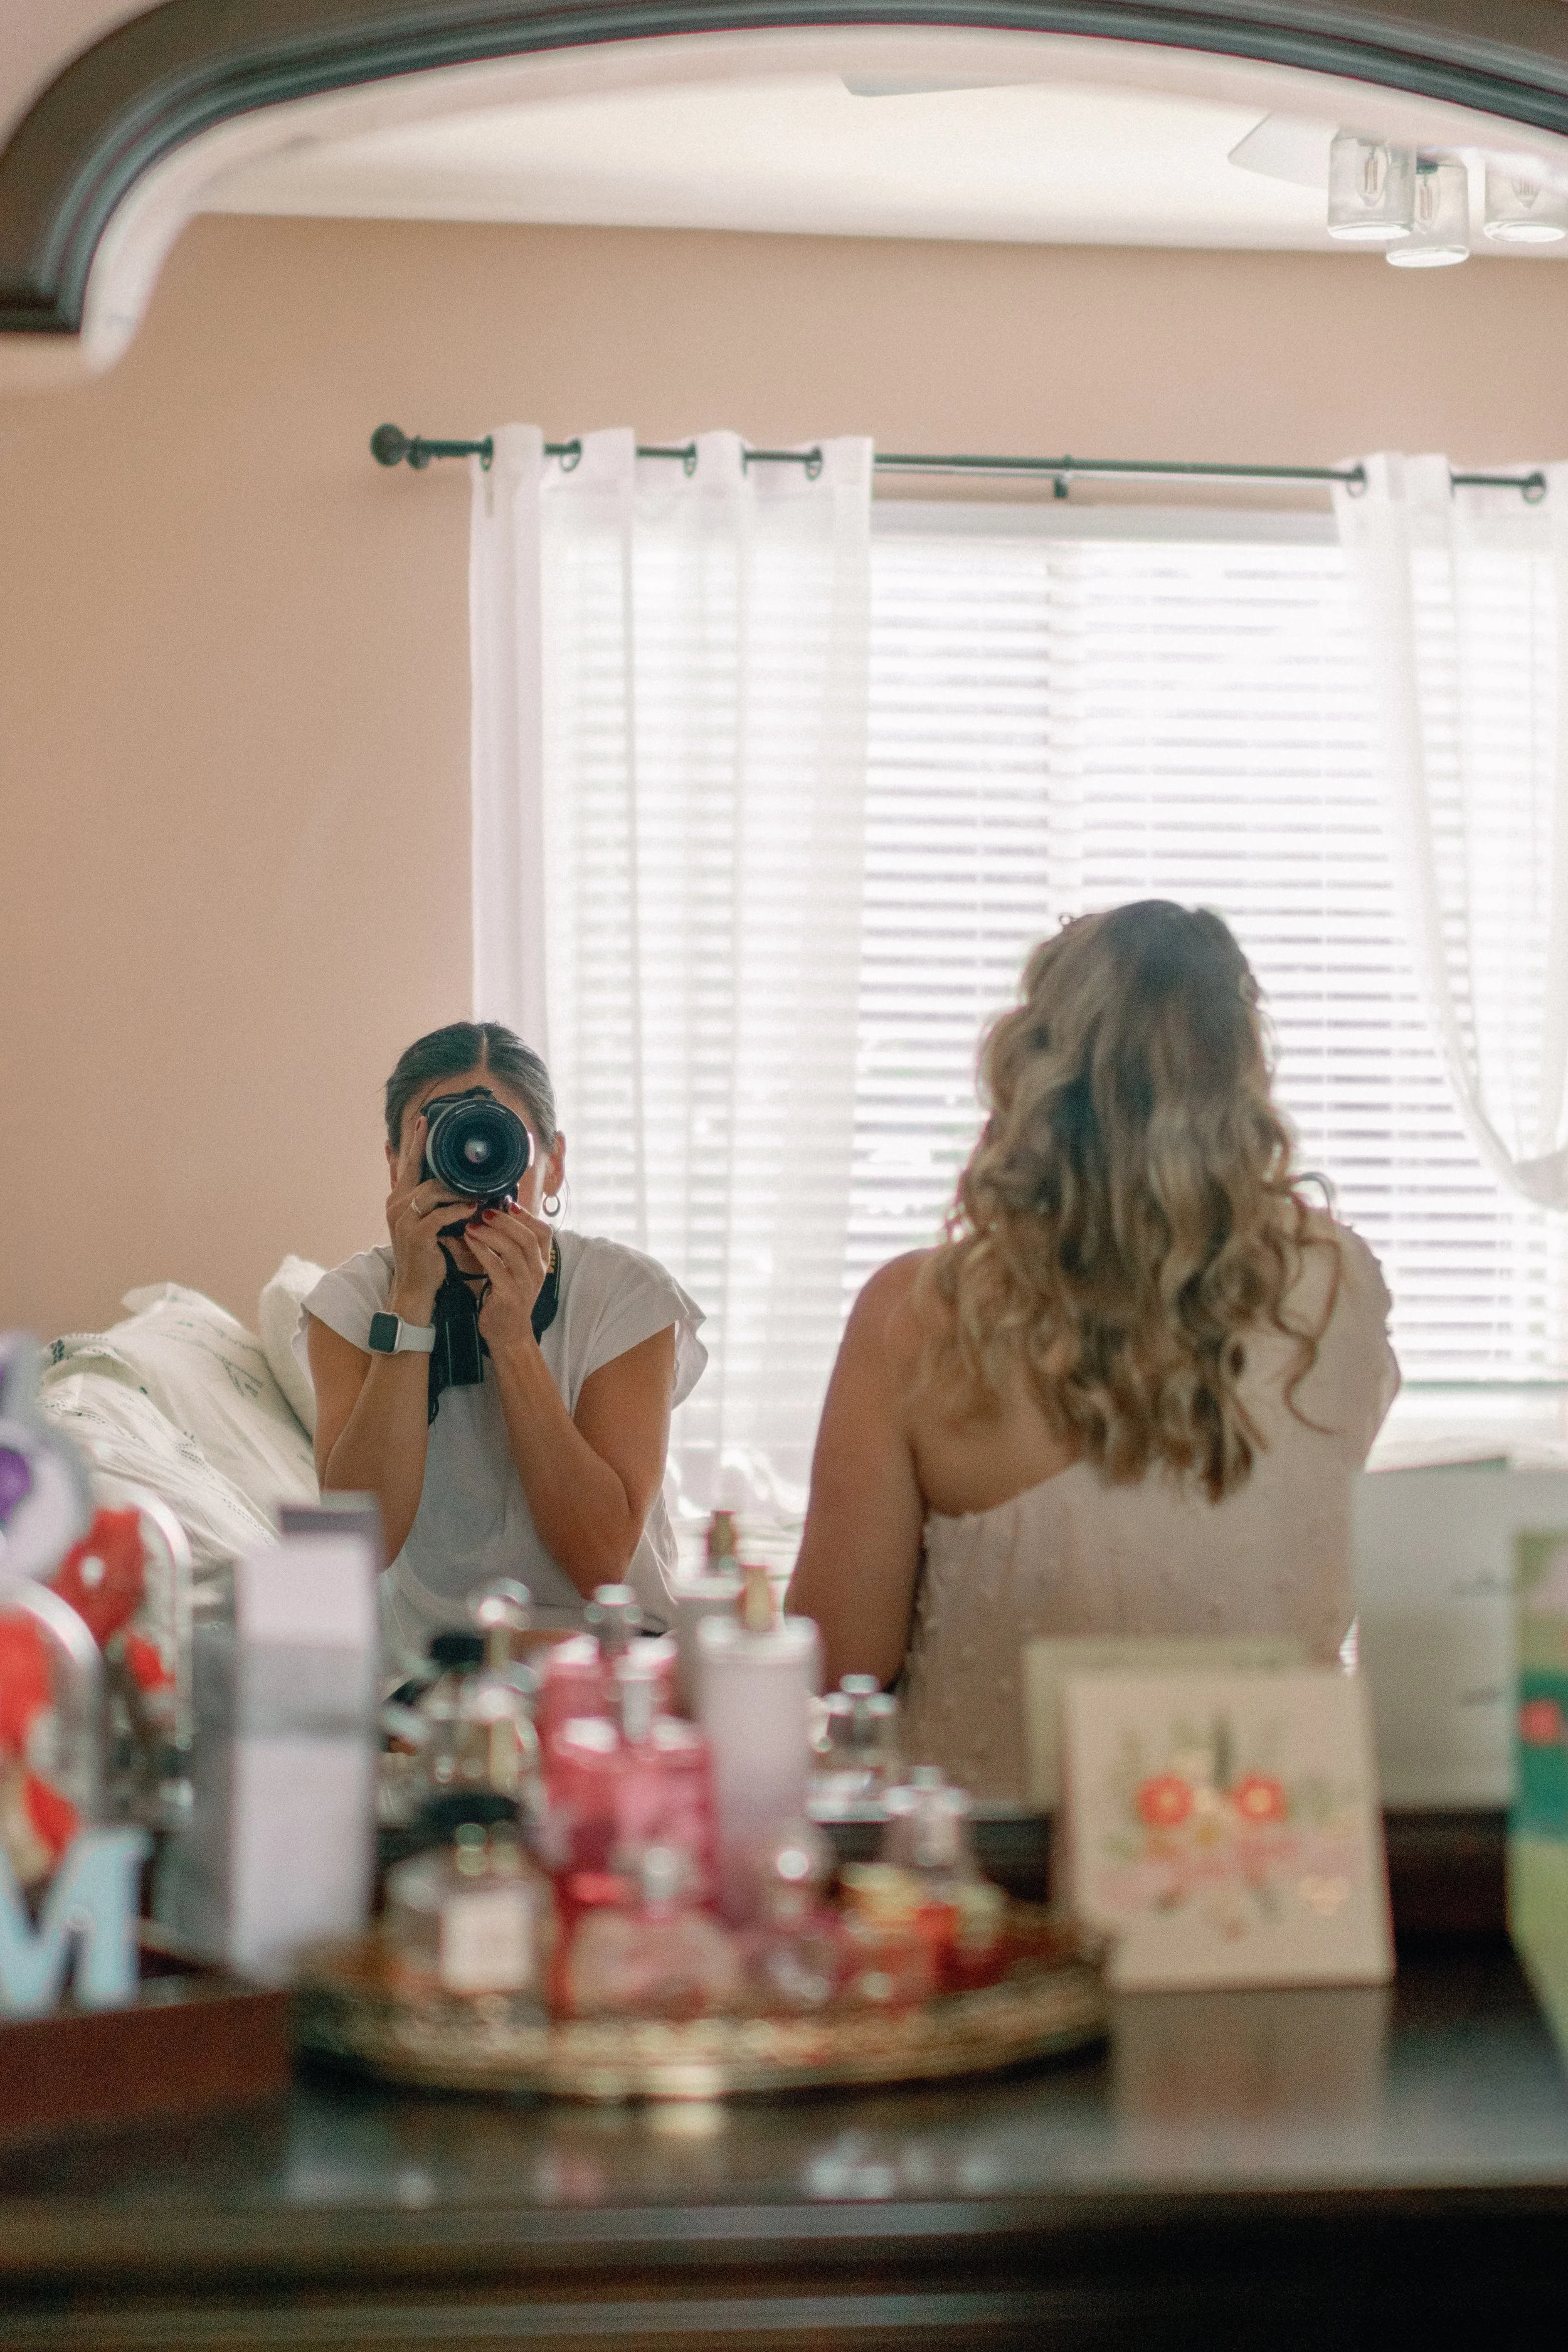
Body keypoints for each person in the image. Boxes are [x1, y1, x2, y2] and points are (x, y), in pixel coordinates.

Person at [786, 901, 1399, 1801]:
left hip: (1000, 1883)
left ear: (1031, 1069)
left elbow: (840, 1656)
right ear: (1242, 1074)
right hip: (1265, 1868)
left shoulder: (920, 1314)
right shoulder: (1338, 1285)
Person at [298, 1022, 705, 1673]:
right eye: (445, 1142)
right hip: (438, 1675)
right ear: (396, 1166)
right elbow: (357, 1553)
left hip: (610, 1664)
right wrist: (409, 1304)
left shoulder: (625, 1295)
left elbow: (603, 1565)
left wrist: (514, 1342)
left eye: (498, 1140)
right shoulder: (352, 1303)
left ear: (554, 1162)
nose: (475, 1161)